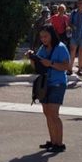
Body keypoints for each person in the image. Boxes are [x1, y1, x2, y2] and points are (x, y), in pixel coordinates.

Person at [27, 24, 70, 153]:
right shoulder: (42, 48)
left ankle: (59, 143)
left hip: (58, 83)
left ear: (52, 35)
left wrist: (50, 63)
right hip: (45, 83)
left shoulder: (61, 47)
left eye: (46, 36)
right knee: (47, 113)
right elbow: (38, 66)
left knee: (53, 113)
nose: (43, 39)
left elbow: (66, 66)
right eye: (41, 37)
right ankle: (52, 141)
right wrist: (32, 58)